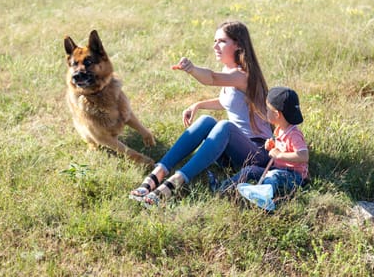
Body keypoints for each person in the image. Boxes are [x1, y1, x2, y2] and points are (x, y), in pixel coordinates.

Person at [129, 20, 272, 206]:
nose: (215, 46)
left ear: (237, 44)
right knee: (206, 120)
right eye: (214, 40)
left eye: (221, 41)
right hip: (235, 151)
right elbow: (228, 102)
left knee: (225, 126)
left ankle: (175, 182)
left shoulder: (243, 76)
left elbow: (211, 78)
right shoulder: (230, 71)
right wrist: (199, 104)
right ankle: (158, 173)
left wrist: (192, 69)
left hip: (258, 153)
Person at [216, 87, 309, 211]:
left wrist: (280, 155)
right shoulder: (280, 129)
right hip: (278, 169)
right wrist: (273, 146)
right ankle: (224, 188)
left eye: (267, 109)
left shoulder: (294, 134)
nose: (265, 111)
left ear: (277, 114)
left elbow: (303, 155)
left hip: (294, 176)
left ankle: (264, 198)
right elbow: (285, 148)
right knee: (250, 170)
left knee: (273, 176)